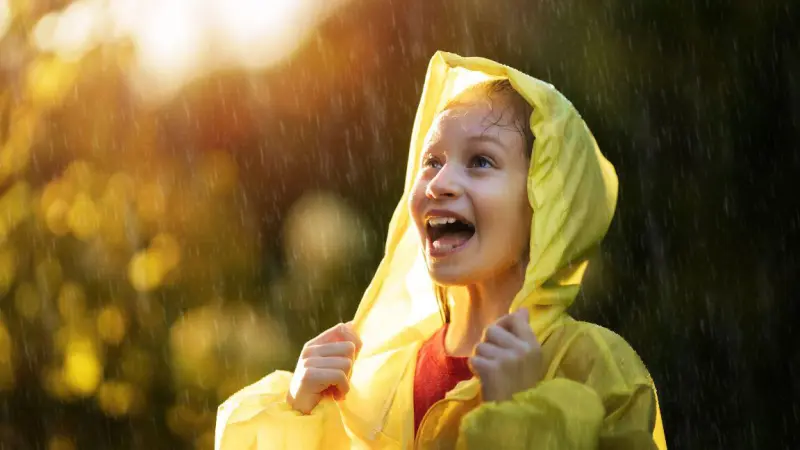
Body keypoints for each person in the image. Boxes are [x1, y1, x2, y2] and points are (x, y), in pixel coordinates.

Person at [214, 51, 668, 449]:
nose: (440, 182)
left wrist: (526, 414)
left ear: (545, 205)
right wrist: (300, 413)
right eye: (432, 161)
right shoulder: (379, 379)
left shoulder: (595, 370)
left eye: (481, 161)